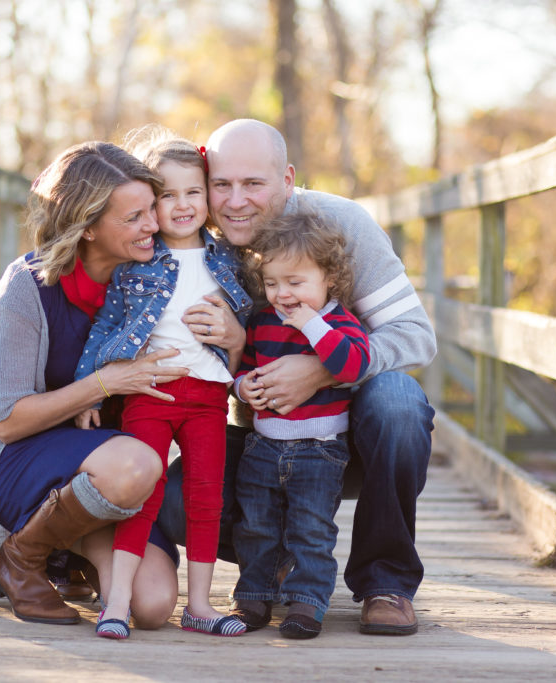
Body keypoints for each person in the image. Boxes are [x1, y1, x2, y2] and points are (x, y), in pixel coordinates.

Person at [157, 118, 437, 636]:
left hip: (341, 436)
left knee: (399, 402)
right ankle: (279, 564)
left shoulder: (341, 225)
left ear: (287, 179)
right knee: (170, 497)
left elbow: (416, 336)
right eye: (222, 184)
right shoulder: (194, 238)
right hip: (261, 443)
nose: (235, 201)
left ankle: (386, 582)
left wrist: (319, 369)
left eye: (253, 184)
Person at [0, 141, 188, 631]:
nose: (152, 226)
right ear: (88, 226)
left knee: (153, 605)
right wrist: (104, 383)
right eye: (134, 217)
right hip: (30, 462)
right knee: (136, 462)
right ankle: (22, 556)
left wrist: (231, 333)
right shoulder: (28, 287)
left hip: (116, 480)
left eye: (152, 211)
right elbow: (9, 422)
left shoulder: (156, 279)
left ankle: (67, 550)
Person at [74, 131, 252, 639]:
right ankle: (117, 603)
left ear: (209, 198)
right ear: (152, 203)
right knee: (144, 495)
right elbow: (105, 327)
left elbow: (252, 327)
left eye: (193, 192)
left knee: (205, 497)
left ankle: (199, 605)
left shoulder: (229, 261)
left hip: (209, 398)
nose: (181, 205)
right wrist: (91, 387)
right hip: (150, 394)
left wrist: (239, 346)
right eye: (166, 195)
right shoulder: (136, 265)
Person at [232, 210, 370, 639]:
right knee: (256, 525)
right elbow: (246, 367)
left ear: (328, 277)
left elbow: (352, 366)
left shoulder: (339, 322)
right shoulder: (263, 322)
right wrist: (242, 388)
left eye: (296, 283)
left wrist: (313, 325)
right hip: (264, 444)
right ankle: (253, 597)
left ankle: (306, 604)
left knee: (310, 529)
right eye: (272, 284)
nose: (282, 294)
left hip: (319, 449)